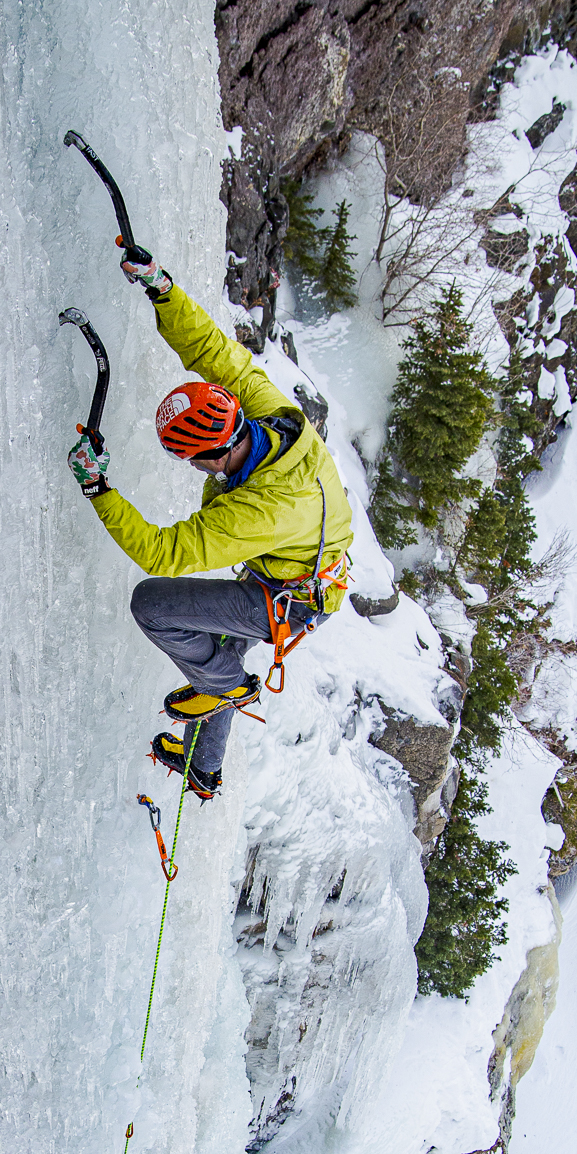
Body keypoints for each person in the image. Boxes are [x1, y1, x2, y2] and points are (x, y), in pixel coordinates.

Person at [67, 248, 353, 800]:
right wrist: (162, 290)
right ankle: (205, 765)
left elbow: (163, 554)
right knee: (219, 633)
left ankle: (225, 687)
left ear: (210, 457)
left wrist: (97, 487)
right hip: (300, 571)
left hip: (291, 597)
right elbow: (215, 351)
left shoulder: (260, 510)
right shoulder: (270, 417)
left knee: (154, 605)